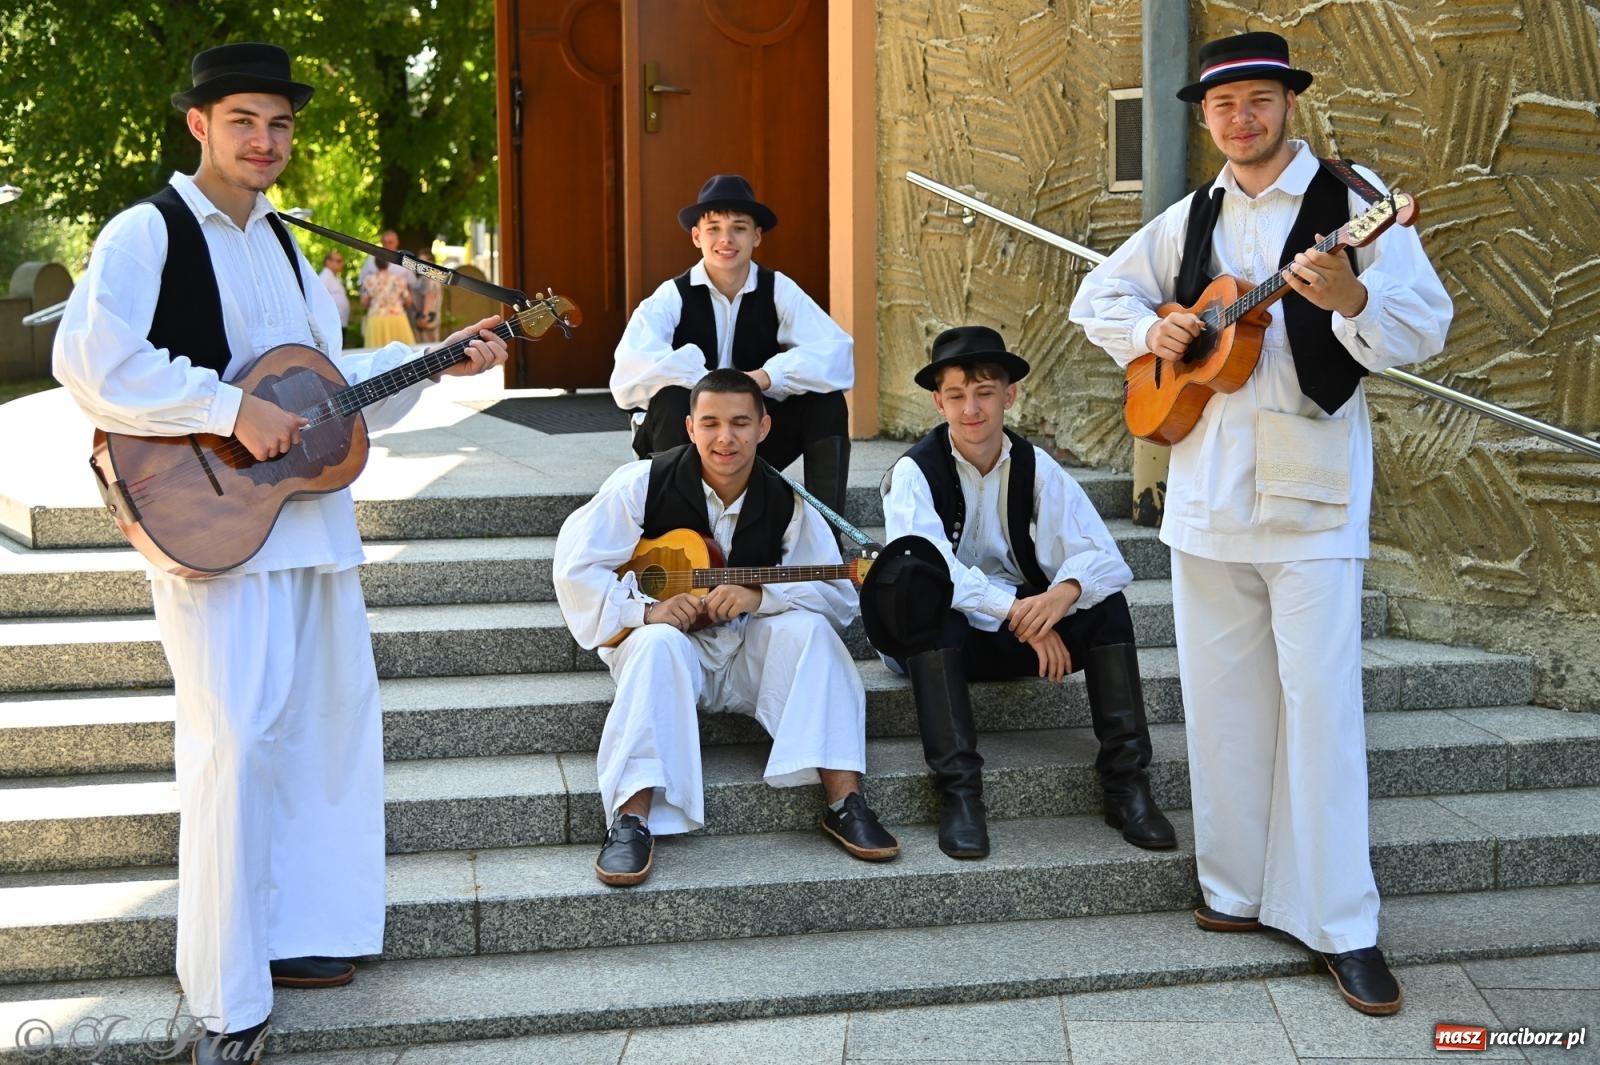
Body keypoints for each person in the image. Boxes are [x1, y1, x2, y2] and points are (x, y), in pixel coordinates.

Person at [51, 43, 510, 1064]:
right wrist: (225, 408)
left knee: (323, 734)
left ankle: (301, 933)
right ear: (200, 125)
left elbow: (324, 384)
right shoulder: (148, 232)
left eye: (281, 125)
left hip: (308, 526)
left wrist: (436, 363)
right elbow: (89, 359)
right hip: (216, 529)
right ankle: (225, 997)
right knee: (235, 746)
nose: (266, 142)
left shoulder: (288, 242)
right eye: (245, 121)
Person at [1068, 31, 1452, 1016]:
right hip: (1204, 493)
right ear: (1205, 119)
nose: (1240, 119)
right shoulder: (1193, 213)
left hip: (1311, 495)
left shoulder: (1350, 201)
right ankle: (1234, 890)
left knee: (1321, 713)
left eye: (1257, 101)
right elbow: (1095, 293)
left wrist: (1354, 295)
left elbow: (1425, 322)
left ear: (1288, 103)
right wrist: (1149, 330)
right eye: (1222, 106)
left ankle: (1342, 925)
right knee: (1222, 702)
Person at [553, 368, 899, 887]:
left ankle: (845, 801)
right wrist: (645, 612)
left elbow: (835, 594)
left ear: (764, 428)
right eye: (711, 423)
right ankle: (630, 819)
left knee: (814, 636)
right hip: (672, 655)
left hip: (745, 652)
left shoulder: (791, 501)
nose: (725, 438)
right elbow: (576, 568)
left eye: (740, 423)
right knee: (657, 646)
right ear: (690, 427)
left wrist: (761, 596)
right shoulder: (639, 484)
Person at [878, 326, 1174, 861]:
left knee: (1105, 603)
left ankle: (1126, 786)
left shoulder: (1037, 467)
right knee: (927, 597)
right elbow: (932, 568)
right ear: (937, 401)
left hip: (1018, 628)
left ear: (1009, 395)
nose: (972, 408)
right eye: (956, 395)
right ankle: (960, 796)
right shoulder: (913, 473)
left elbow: (1105, 557)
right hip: (934, 642)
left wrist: (1060, 596)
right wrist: (1018, 613)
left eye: (985, 392)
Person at [609, 174, 854, 516]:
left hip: (751, 440)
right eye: (713, 228)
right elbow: (629, 374)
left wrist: (764, 377)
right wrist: (711, 385)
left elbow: (837, 353)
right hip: (685, 443)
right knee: (670, 396)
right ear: (696, 236)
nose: (726, 239)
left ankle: (829, 532)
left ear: (756, 236)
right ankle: (673, 529)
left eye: (739, 228)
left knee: (826, 402)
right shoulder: (672, 295)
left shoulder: (778, 288)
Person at [361, 257, 414, 348]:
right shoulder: (398, 279)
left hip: (376, 318)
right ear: (388, 264)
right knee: (402, 351)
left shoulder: (369, 280)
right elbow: (408, 300)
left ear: (375, 264)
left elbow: (364, 301)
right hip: (397, 316)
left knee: (376, 351)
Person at [409, 247, 443, 343]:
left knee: (425, 348)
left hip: (425, 318)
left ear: (431, 262)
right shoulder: (435, 276)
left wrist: (424, 316)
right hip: (431, 317)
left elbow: (430, 296)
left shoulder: (427, 278)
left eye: (422, 261)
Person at [318, 250, 349, 328]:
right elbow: (319, 298)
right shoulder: (325, 276)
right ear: (328, 262)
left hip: (339, 322)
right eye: (338, 261)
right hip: (331, 323)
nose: (342, 264)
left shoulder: (334, 277)